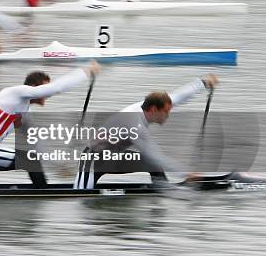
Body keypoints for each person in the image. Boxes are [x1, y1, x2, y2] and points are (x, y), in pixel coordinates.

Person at [0, 62, 101, 190]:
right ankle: (43, 195)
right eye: (44, 89)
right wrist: (85, 71)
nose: (47, 94)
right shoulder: (16, 93)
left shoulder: (23, 113)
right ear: (34, 87)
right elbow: (55, 88)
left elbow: (38, 145)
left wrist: (59, 166)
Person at [74, 74, 219, 189]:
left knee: (153, 164)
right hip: (92, 160)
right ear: (154, 110)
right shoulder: (134, 124)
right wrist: (186, 173)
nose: (168, 115)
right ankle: (165, 188)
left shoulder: (153, 106)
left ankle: (163, 188)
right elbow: (155, 154)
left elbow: (179, 96)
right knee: (81, 199)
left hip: (112, 156)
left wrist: (203, 82)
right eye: (166, 112)